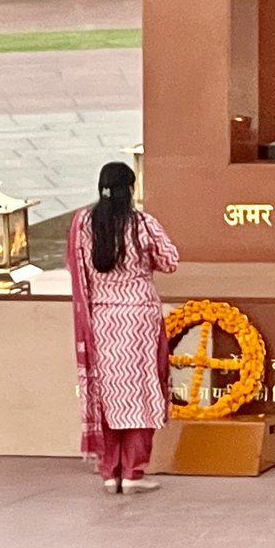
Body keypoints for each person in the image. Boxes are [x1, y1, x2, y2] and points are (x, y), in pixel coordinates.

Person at [66, 162, 179, 495]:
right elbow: (170, 261)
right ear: (130, 189)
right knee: (141, 392)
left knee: (108, 393)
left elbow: (78, 271)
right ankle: (133, 472)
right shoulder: (143, 223)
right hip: (140, 317)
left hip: (101, 318)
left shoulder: (83, 224)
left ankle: (109, 473)